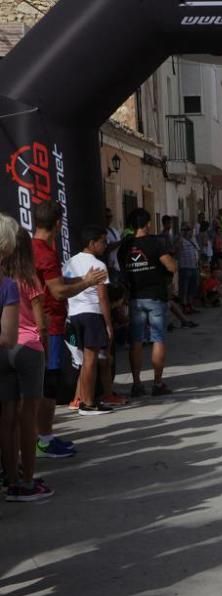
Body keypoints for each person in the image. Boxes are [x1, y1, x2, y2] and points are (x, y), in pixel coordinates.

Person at [32, 200, 106, 458]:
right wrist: (87, 282)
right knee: (48, 385)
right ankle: (43, 439)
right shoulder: (46, 253)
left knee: (43, 385)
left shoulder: (31, 248)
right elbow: (58, 290)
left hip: (39, 325)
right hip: (49, 326)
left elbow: (59, 282)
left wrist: (79, 281)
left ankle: (43, 436)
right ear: (58, 223)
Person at [1, 224, 52, 500]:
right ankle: (28, 482)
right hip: (28, 347)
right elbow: (41, 322)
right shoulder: (28, 277)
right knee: (28, 417)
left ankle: (11, 478)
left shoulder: (3, 278)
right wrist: (43, 348)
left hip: (3, 349)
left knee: (7, 418)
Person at [119, 208, 177, 397]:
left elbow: (123, 272)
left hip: (135, 298)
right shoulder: (155, 243)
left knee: (136, 341)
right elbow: (171, 265)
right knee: (158, 338)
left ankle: (136, 384)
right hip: (155, 296)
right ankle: (157, 383)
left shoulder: (125, 247)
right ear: (148, 224)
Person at [63, 227, 114, 415]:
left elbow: (65, 289)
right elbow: (102, 298)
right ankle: (88, 403)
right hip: (92, 314)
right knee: (90, 360)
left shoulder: (68, 262)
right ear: (92, 243)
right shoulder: (98, 265)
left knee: (85, 361)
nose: (105, 244)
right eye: (103, 241)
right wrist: (108, 325)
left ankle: (83, 400)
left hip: (74, 314)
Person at [177, 224, 202, 312]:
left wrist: (198, 263)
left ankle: (190, 305)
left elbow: (198, 251)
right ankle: (184, 306)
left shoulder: (193, 240)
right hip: (185, 267)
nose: (190, 232)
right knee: (184, 288)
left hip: (194, 267)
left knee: (192, 288)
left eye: (190, 230)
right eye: (187, 230)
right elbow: (178, 252)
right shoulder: (181, 241)